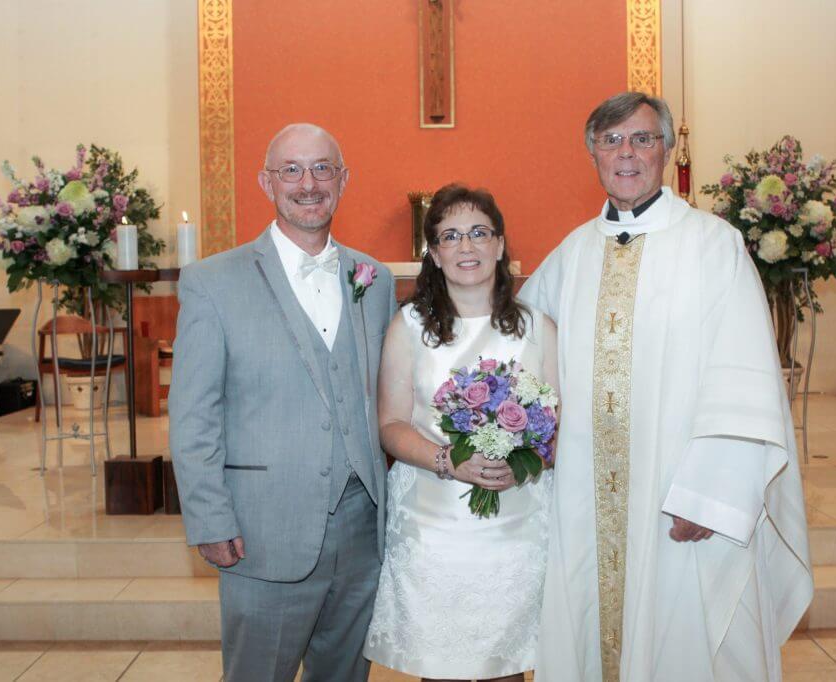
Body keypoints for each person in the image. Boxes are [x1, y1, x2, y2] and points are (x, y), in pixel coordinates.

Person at [518, 92, 813, 681]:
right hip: (584, 502)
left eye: (642, 139)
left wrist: (712, 494)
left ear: (667, 149)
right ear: (592, 154)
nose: (626, 154)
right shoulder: (570, 255)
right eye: (611, 141)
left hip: (678, 501)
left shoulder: (713, 245)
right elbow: (520, 356)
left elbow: (745, 375)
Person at [169, 123, 395, 682]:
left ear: (344, 179)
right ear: (265, 182)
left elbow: (391, 397)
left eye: (322, 168)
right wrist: (208, 518)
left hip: (362, 531)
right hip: (260, 529)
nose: (308, 183)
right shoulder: (211, 282)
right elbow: (194, 414)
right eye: (291, 170)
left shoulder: (376, 279)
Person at [364, 184, 558, 682]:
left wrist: (522, 463)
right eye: (451, 236)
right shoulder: (409, 326)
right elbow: (390, 425)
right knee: (440, 665)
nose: (466, 247)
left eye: (478, 233)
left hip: (515, 521)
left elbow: (560, 427)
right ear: (433, 253)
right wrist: (450, 461)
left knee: (509, 665)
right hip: (433, 522)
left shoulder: (539, 328)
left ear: (499, 244)